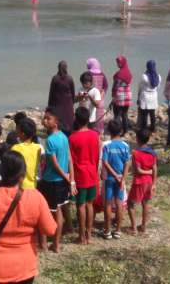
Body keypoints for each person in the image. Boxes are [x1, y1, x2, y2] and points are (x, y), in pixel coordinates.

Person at [0, 151, 57, 284]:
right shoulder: (35, 197)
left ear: (1, 172)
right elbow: (50, 229)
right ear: (22, 175)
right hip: (24, 268)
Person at [39, 108, 73, 253]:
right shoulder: (64, 137)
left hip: (51, 180)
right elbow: (69, 159)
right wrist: (70, 179)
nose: (45, 121)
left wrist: (68, 179)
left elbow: (54, 164)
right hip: (62, 180)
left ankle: (46, 242)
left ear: (56, 122)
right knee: (58, 210)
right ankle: (56, 244)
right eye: (44, 118)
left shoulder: (50, 140)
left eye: (48, 118)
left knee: (48, 212)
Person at [68, 106, 100, 244]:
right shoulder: (95, 135)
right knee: (89, 204)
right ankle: (89, 234)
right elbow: (98, 155)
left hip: (80, 175)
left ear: (76, 119)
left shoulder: (72, 138)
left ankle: (81, 236)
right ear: (88, 120)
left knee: (80, 205)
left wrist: (71, 180)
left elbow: (71, 161)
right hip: (92, 173)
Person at [101, 119, 131, 239]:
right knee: (119, 204)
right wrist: (123, 178)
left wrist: (114, 175)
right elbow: (127, 163)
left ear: (109, 131)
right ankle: (118, 230)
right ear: (121, 131)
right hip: (120, 180)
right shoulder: (125, 146)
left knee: (107, 204)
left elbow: (105, 162)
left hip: (109, 179)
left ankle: (107, 231)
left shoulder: (106, 145)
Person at [127, 129, 156, 234]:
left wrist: (148, 172)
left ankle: (134, 228)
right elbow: (155, 169)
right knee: (145, 203)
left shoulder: (136, 153)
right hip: (149, 181)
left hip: (139, 181)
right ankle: (143, 226)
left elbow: (138, 170)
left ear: (137, 139)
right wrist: (154, 183)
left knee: (130, 203)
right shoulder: (152, 153)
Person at [11, 118, 42, 191]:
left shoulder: (15, 148)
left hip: (20, 187)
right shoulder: (38, 148)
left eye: (18, 130)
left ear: (23, 133)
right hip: (33, 186)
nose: (16, 131)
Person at [47, 60, 76, 135]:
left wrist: (49, 108)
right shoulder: (69, 78)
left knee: (58, 122)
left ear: (58, 68)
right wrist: (72, 104)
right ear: (66, 68)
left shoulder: (55, 78)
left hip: (57, 105)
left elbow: (51, 93)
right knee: (68, 122)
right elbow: (73, 94)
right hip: (68, 105)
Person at [86, 58, 109, 133]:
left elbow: (84, 86)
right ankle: (98, 132)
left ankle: (89, 131)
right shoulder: (102, 74)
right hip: (100, 99)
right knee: (99, 116)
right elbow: (106, 86)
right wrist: (101, 96)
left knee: (90, 116)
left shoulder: (88, 74)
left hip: (90, 99)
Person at [111, 56, 133, 135]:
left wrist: (113, 96)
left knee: (117, 113)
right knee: (124, 113)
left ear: (123, 63)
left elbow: (115, 86)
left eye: (119, 63)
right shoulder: (128, 73)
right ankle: (125, 130)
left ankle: (116, 130)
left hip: (120, 95)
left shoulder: (119, 73)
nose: (118, 64)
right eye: (117, 62)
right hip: (127, 95)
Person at [137, 60, 159, 132]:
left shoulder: (144, 76)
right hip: (154, 95)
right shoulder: (158, 77)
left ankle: (144, 128)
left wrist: (138, 96)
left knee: (144, 113)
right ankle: (153, 128)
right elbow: (158, 87)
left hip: (145, 96)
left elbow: (140, 87)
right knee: (152, 113)